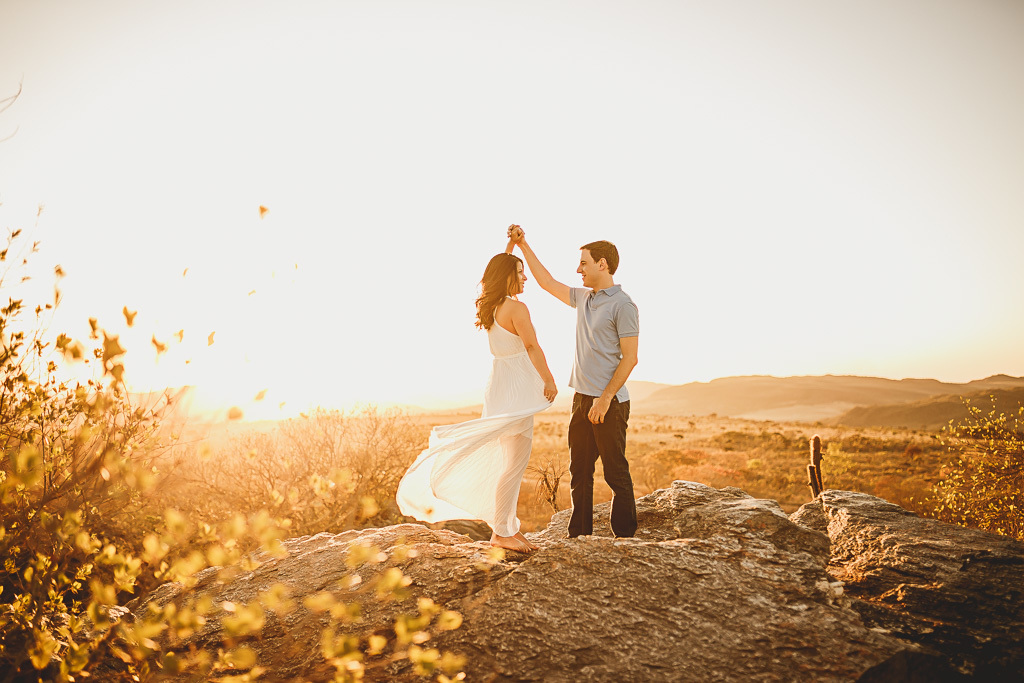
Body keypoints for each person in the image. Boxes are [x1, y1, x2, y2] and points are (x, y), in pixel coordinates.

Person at [396, 235, 558, 553]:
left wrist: (511, 249)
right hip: (516, 390)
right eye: (521, 272)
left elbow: (493, 274)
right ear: (509, 276)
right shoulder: (517, 308)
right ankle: (502, 533)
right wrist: (549, 380)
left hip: (499, 388)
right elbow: (531, 346)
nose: (525, 277)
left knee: (508, 462)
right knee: (514, 463)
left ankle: (507, 529)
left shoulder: (492, 306)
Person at [508, 225, 639, 538]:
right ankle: (579, 535)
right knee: (579, 471)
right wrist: (523, 244)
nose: (578, 269)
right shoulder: (584, 299)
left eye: (583, 263)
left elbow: (630, 358)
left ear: (602, 264)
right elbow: (547, 282)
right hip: (581, 399)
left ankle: (626, 538)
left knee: (615, 471)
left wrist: (605, 399)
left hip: (609, 403)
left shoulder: (623, 306)